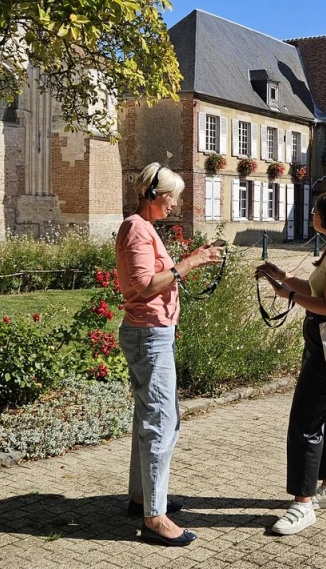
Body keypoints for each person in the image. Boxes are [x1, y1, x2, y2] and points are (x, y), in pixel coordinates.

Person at [116, 162, 223, 547]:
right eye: (170, 197)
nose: (175, 204)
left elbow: (154, 279)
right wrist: (189, 263)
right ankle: (154, 517)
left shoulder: (142, 227)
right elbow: (145, 286)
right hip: (148, 336)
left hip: (152, 334)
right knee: (161, 422)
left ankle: (142, 498)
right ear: (151, 195)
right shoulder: (136, 228)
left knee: (150, 417)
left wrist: (191, 259)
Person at [256, 191, 326, 535]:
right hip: (323, 344)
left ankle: (303, 504)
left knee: (304, 422)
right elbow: (316, 289)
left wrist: (289, 295)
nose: (311, 216)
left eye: (316, 212)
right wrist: (284, 277)